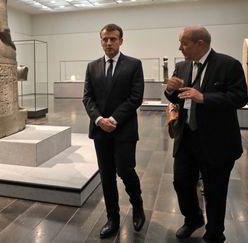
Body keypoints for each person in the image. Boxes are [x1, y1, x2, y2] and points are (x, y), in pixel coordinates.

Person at [164, 26, 248, 243]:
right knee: (181, 183)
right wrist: (170, 90)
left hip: (217, 143)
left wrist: (205, 98)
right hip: (187, 139)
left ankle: (215, 233)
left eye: (184, 43)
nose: (179, 47)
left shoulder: (229, 65)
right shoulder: (181, 66)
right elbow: (176, 99)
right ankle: (193, 219)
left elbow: (240, 98)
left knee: (215, 192)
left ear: (200, 44)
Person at [83, 23, 145, 239]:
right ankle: (113, 218)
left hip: (124, 129)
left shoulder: (134, 65)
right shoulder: (92, 67)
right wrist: (100, 119)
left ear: (121, 40)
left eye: (113, 39)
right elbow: (87, 97)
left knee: (126, 170)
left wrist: (115, 119)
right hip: (101, 130)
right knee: (107, 176)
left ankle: (137, 206)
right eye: (105, 39)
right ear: (101, 41)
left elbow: (136, 97)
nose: (109, 43)